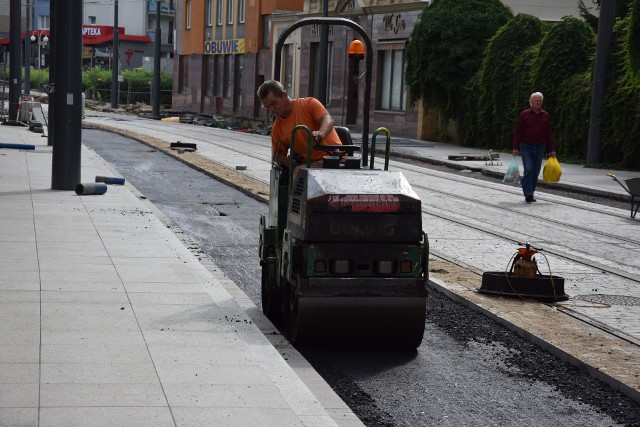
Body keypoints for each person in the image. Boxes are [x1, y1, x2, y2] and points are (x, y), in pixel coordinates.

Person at [257, 80, 342, 171]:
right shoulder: (277, 128)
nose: (271, 110)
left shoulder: (309, 104)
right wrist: (285, 161)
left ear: (284, 95)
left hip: (336, 158)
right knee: (299, 174)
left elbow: (328, 119)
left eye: (274, 104)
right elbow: (277, 157)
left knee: (300, 174)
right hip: (308, 164)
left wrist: (322, 133)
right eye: (268, 107)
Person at [513, 92, 556, 203]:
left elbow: (548, 134)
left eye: (540, 101)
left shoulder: (545, 115)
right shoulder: (524, 114)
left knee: (535, 171)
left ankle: (530, 193)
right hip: (526, 146)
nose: (538, 102)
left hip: (540, 147)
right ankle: (528, 194)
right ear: (531, 102)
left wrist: (551, 150)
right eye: (536, 100)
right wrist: (515, 147)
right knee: (528, 169)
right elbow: (518, 132)